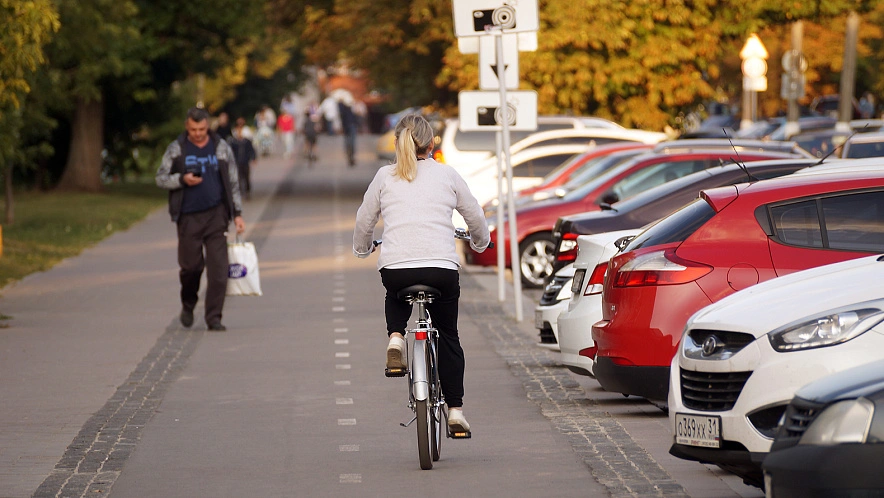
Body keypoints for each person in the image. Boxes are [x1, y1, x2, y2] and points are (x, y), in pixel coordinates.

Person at [352, 114, 490, 435]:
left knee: (394, 289)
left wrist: (362, 249)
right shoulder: (447, 175)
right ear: (431, 143)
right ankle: (455, 412)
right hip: (441, 270)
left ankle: (397, 337)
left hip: (397, 269)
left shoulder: (385, 176)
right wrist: (481, 243)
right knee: (449, 336)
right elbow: (474, 215)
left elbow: (364, 220)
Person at [156, 106, 246, 332]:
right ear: (187, 127)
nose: (198, 133)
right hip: (188, 217)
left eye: (202, 129)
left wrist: (237, 214)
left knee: (218, 271)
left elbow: (233, 182)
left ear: (208, 126)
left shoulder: (220, 147)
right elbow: (160, 178)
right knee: (191, 268)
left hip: (216, 215)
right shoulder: (177, 149)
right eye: (194, 129)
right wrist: (182, 179)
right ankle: (188, 303)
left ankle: (214, 317)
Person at [228, 117, 257, 199]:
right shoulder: (233, 142)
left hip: (245, 161)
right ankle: (240, 192)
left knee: (246, 177)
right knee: (238, 177)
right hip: (237, 162)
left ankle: (247, 191)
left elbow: (251, 150)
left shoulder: (246, 141)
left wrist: (253, 158)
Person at [338, 96, 358, 166]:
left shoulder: (345, 110)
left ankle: (350, 155)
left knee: (349, 142)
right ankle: (350, 155)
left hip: (349, 127)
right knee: (350, 142)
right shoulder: (347, 109)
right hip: (350, 127)